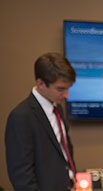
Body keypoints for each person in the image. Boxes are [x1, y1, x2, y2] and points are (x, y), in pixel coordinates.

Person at [5, 52, 77, 190]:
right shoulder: (21, 116)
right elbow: (21, 175)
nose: (67, 95)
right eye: (61, 89)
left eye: (68, 88)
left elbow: (63, 149)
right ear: (41, 83)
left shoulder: (57, 109)